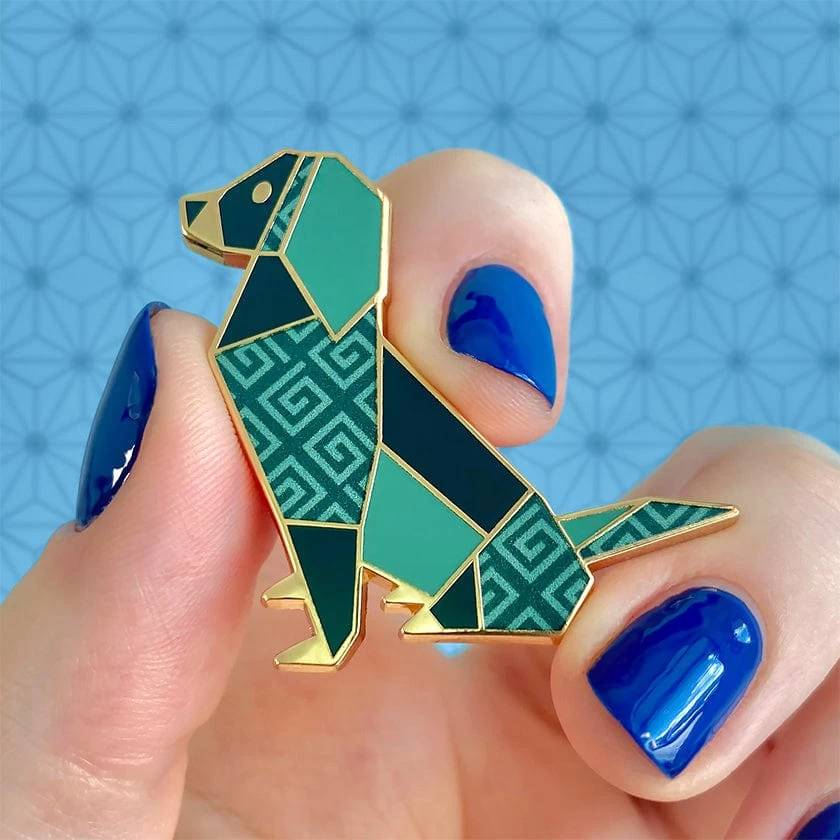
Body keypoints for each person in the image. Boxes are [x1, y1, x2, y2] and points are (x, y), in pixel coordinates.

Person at [2, 150, 838, 839]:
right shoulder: (291, 352)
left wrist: (336, 612)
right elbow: (323, 510)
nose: (219, 214)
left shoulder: (294, 358)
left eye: (265, 202)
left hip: (472, 565)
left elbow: (327, 510)